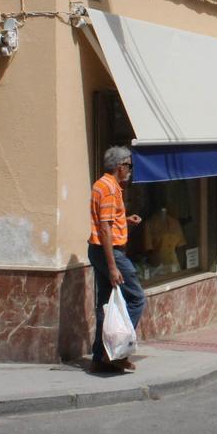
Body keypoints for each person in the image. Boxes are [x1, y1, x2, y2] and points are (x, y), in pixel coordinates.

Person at [89, 146, 145, 373]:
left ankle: (100, 356)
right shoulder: (111, 189)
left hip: (98, 250)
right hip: (110, 253)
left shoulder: (100, 184)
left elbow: (108, 222)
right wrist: (112, 266)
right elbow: (104, 228)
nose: (130, 170)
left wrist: (125, 221)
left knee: (105, 305)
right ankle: (115, 351)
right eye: (129, 166)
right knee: (136, 298)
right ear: (120, 166)